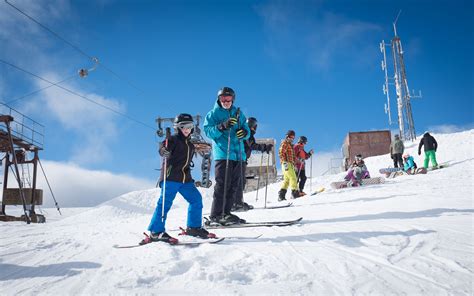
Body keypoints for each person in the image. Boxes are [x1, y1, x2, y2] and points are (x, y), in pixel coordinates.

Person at [146, 113, 211, 242]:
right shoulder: (172, 140)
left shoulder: (191, 145)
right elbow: (163, 147)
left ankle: (194, 227)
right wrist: (164, 150)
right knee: (164, 204)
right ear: (177, 128)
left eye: (189, 126)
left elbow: (186, 164)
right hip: (171, 178)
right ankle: (156, 231)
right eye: (183, 127)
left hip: (185, 180)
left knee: (196, 199)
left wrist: (190, 179)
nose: (186, 129)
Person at [204, 86, 250, 225]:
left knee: (234, 185)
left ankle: (227, 212)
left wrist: (244, 132)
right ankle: (216, 215)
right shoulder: (213, 114)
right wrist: (221, 126)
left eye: (228, 98)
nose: (226, 101)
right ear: (219, 99)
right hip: (223, 153)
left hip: (239, 155)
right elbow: (208, 131)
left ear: (233, 99)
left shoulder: (238, 113)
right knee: (223, 184)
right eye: (223, 98)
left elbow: (246, 130)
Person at [232, 117, 273, 212]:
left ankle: (238, 201)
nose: (255, 128)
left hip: (241, 159)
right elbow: (252, 145)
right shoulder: (247, 133)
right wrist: (265, 147)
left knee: (240, 181)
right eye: (255, 126)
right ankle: (236, 203)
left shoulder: (247, 132)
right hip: (239, 160)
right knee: (239, 182)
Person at [278, 130, 302, 201]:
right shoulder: (285, 143)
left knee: (287, 180)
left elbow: (293, 157)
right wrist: (284, 162)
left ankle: (281, 195)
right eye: (291, 137)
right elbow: (281, 152)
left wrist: (297, 162)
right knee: (293, 177)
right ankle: (295, 193)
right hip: (286, 163)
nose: (292, 139)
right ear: (287, 136)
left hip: (290, 164)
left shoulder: (290, 146)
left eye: (293, 137)